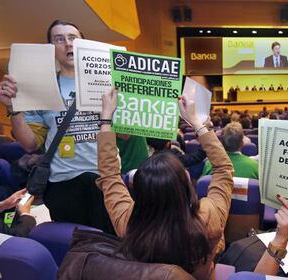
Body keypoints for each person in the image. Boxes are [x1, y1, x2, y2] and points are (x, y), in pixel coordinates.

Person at [74, 89, 234, 279]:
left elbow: (109, 176)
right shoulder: (208, 216)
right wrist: (197, 124)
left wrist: (106, 119)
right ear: (185, 186)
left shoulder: (129, 223)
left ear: (140, 192)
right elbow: (224, 169)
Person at [0, 20, 114, 233]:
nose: (67, 44)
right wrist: (14, 108)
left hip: (104, 179)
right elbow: (31, 144)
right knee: (73, 245)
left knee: (111, 242)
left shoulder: (109, 83)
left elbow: (123, 135)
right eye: (59, 39)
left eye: (73, 38)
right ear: (51, 49)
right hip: (62, 183)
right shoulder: (42, 88)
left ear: (84, 44)